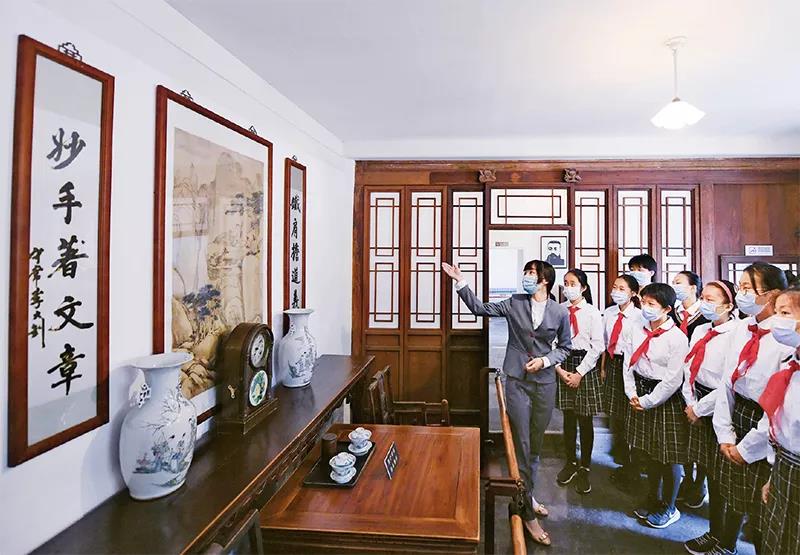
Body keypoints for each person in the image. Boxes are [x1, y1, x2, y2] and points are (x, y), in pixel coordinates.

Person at [441, 259, 571, 547]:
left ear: (545, 280)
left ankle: (528, 493)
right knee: (521, 445)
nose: (526, 277)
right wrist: (460, 281)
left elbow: (565, 347)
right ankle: (526, 513)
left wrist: (545, 361)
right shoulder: (514, 303)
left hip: (545, 384)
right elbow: (479, 308)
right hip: (517, 381)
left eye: (531, 273)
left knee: (534, 447)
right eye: (525, 272)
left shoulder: (560, 311)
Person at [712, 263, 794, 554]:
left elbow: (778, 404)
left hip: (764, 429)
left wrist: (746, 449)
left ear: (770, 295)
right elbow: (727, 380)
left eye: (747, 288)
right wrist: (724, 432)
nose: (740, 294)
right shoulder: (742, 328)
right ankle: (725, 543)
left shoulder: (785, 338)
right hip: (736, 416)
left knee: (762, 518)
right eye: (740, 287)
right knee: (734, 497)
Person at [623, 282, 690, 529]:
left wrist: (649, 401)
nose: (645, 307)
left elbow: (674, 378)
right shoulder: (636, 328)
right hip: (639, 391)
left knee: (668, 455)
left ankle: (669, 507)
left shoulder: (677, 338)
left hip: (664, 397)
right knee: (648, 451)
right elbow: (628, 362)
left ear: (667, 309)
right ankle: (653, 498)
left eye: (652, 304)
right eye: (643, 302)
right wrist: (631, 393)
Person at [680, 280, 739, 554]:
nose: (704, 303)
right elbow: (688, 368)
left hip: (722, 407)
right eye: (702, 297)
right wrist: (691, 402)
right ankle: (714, 532)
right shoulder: (701, 329)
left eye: (711, 299)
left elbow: (730, 382)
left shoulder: (737, 333)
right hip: (697, 401)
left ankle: (727, 541)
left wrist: (700, 408)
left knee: (728, 479)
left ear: (728, 305)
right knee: (712, 475)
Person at [555, 269, 604, 495]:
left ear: (583, 287)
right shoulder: (558, 310)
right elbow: (551, 341)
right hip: (563, 362)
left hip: (586, 366)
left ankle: (585, 466)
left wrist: (579, 373)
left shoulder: (593, 313)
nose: (568, 287)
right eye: (565, 283)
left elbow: (598, 346)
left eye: (573, 283)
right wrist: (559, 370)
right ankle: (570, 462)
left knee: (585, 419)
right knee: (568, 417)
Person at [759, 285, 800, 555]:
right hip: (785, 465)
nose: (777, 321)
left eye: (785, 313)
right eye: (776, 312)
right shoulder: (790, 364)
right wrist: (774, 474)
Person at [672, 271, 711, 508]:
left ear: (693, 287)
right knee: (682, 432)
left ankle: (700, 482)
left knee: (700, 433)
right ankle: (687, 477)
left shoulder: (705, 316)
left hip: (698, 378)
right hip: (676, 378)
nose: (675, 286)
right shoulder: (674, 313)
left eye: (679, 283)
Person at [602, 274, 642, 489]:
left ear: (633, 293)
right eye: (614, 287)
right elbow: (604, 343)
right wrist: (603, 368)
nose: (616, 291)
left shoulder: (640, 316)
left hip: (631, 367)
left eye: (622, 289)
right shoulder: (608, 313)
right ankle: (623, 462)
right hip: (612, 364)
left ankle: (634, 469)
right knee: (616, 415)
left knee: (631, 418)